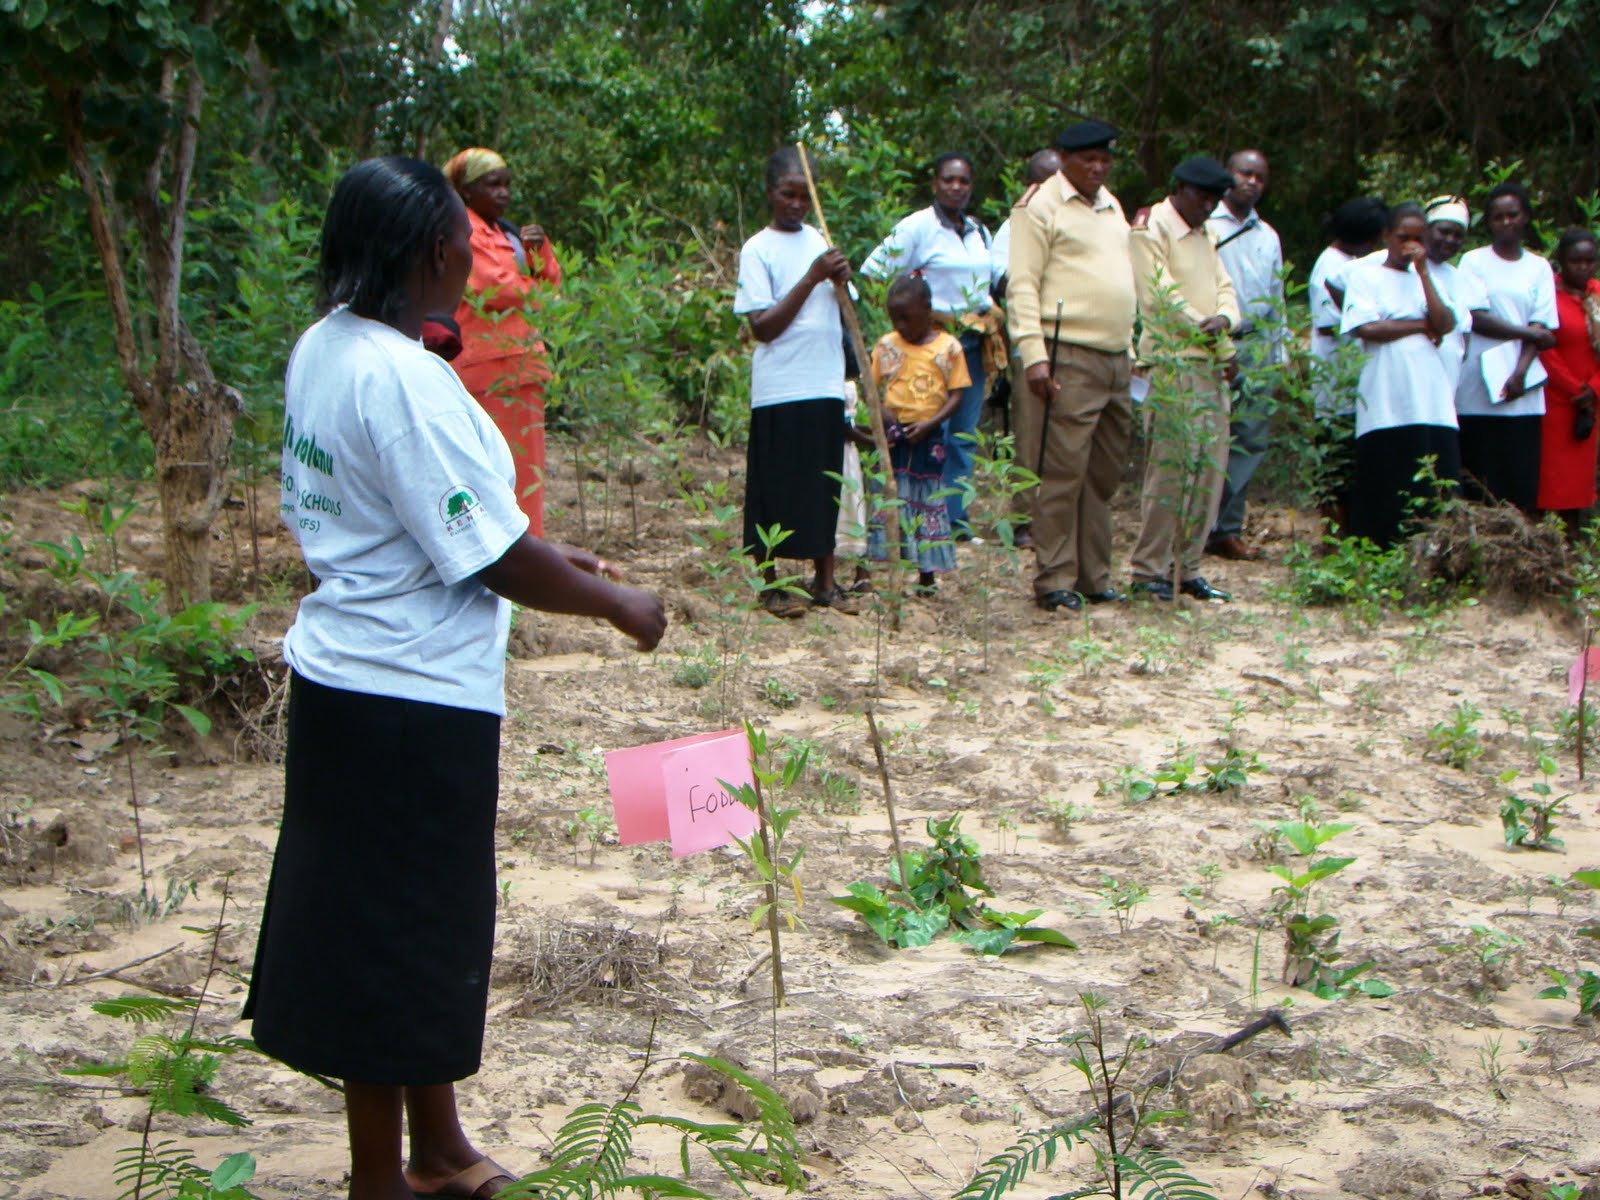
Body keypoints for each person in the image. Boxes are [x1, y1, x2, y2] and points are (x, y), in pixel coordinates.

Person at [246, 156, 667, 1200]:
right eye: (460, 246)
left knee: (408, 925)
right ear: (435, 253)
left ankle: (434, 1146)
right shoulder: (403, 378)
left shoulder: (327, 347)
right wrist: (615, 605)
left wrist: (562, 557)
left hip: (351, 677)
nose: (472, 268)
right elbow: (483, 554)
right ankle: (377, 1180)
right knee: (396, 938)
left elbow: (439, 517)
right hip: (407, 697)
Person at [1005, 119, 1138, 613]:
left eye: (1105, 159)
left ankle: (1093, 573)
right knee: (1061, 470)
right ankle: (1054, 577)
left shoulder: (1111, 205)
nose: (1099, 167)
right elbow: (1022, 284)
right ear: (1063, 157)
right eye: (1089, 159)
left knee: (1102, 473)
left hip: (1115, 358)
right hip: (1068, 356)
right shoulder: (1039, 207)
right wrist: (1034, 357)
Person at [734, 147, 854, 616]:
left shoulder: (818, 239)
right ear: (770, 194)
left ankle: (826, 581)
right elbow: (763, 327)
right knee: (775, 485)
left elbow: (844, 313)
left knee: (823, 483)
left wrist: (839, 278)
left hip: (823, 382)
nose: (797, 204)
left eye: (805, 195)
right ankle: (771, 585)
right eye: (788, 194)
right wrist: (812, 277)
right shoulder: (757, 249)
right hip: (779, 388)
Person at [860, 152, 996, 538]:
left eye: (964, 181)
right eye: (948, 180)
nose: (956, 187)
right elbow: (873, 272)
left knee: (963, 433)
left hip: (970, 341)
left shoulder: (976, 231)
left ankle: (953, 519)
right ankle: (913, 518)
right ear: (935, 183)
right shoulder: (916, 228)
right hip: (925, 343)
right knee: (921, 431)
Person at [1128, 156, 1240, 602]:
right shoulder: (1150, 227)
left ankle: (1186, 566)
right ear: (1179, 189)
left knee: (1208, 471)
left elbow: (1225, 286)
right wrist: (1203, 325)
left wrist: (1225, 321)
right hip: (1171, 363)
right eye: (1201, 196)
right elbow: (1158, 294)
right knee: (1171, 470)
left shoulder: (1208, 233)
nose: (1209, 205)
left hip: (1210, 363)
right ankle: (1148, 569)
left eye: (1215, 198)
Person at [443, 147, 562, 537]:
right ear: (464, 190)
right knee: (489, 469)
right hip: (485, 368)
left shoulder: (508, 232)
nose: (503, 193)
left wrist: (538, 249)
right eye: (492, 185)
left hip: (521, 365)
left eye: (507, 184)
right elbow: (495, 287)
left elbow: (551, 283)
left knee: (527, 471)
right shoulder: (460, 228)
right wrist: (535, 287)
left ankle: (528, 551)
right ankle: (501, 553)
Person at [1339, 202, 1468, 547]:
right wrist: (1417, 325)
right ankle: (1381, 549)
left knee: (1433, 470)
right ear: (1386, 237)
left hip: (1429, 395)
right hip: (1387, 391)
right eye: (1402, 237)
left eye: (1417, 238)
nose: (1410, 245)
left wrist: (1424, 273)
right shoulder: (1365, 276)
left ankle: (1435, 547)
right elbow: (1366, 326)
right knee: (1388, 469)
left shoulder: (1428, 278)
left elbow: (1445, 323)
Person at [860, 274, 969, 592]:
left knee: (926, 500)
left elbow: (957, 394)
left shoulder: (948, 348)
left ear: (927, 309)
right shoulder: (886, 346)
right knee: (890, 496)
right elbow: (872, 388)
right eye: (895, 319)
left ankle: (927, 574)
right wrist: (884, 415)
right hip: (894, 435)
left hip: (929, 435)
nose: (901, 326)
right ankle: (877, 567)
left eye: (907, 317)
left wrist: (931, 423)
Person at [1455, 181, 1558, 513]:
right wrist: (1527, 334)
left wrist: (1521, 372)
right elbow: (1477, 317)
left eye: (1512, 215)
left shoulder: (1538, 267)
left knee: (1520, 474)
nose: (1505, 223)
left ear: (1525, 217)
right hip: (1477, 385)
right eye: (1497, 217)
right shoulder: (1473, 262)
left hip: (1522, 386)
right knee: (1481, 473)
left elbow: (1542, 324)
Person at [1205, 149, 1284, 562]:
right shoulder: (1205, 225)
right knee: (1209, 435)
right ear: (1228, 175)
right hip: (1216, 341)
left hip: (1258, 345)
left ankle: (1227, 528)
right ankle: (1195, 525)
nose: (1252, 182)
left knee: (1249, 438)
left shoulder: (1268, 235)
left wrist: (1279, 353)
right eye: (1245, 173)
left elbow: (1276, 296)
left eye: (1260, 176)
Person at [990, 147, 1064, 551]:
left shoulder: (1079, 223)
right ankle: (1024, 519)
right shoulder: (1013, 228)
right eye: (1043, 181)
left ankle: (1059, 518)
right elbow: (1001, 281)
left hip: (1074, 342)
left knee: (1067, 437)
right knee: (1030, 435)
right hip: (1029, 344)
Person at [1306, 196, 1386, 528]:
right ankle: (1335, 531)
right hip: (1335, 379)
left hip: (1354, 379)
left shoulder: (1354, 263)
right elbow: (1331, 322)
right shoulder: (1332, 267)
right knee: (1336, 464)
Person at [1537, 228, 1600, 531]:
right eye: (1576, 261)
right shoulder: (1548, 294)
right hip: (1558, 402)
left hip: (1592, 402)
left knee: (1580, 486)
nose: (1584, 267)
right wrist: (1577, 390)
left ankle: (1575, 549)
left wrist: (1594, 390)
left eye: (1590, 261)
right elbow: (1546, 349)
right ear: (1561, 261)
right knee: (1553, 482)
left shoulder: (1597, 294)